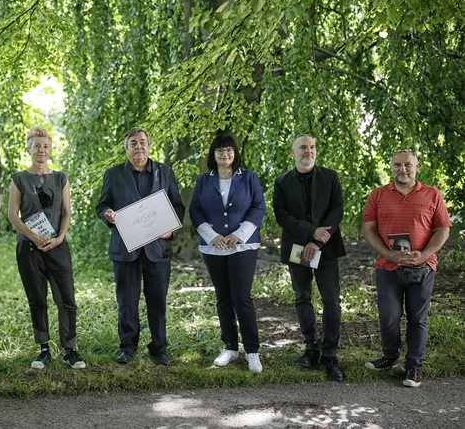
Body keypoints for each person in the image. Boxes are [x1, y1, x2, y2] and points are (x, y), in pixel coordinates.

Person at [96, 127, 185, 366]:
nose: (138, 147)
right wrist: (107, 214)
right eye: (133, 143)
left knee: (158, 302)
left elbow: (177, 206)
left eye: (143, 142)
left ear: (149, 146)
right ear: (126, 149)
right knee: (127, 301)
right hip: (126, 250)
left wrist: (172, 230)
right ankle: (127, 347)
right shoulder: (113, 174)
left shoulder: (164, 172)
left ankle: (159, 349)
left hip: (158, 249)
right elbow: (102, 205)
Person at [362, 149, 451, 388]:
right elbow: (368, 229)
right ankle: (390, 357)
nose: (403, 169)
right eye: (397, 165)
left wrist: (425, 254)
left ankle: (414, 366)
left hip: (422, 267)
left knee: (417, 318)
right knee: (389, 317)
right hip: (387, 266)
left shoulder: (433, 195)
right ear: (391, 167)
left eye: (408, 165)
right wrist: (388, 254)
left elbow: (443, 229)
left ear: (417, 167)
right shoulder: (377, 195)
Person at [8, 126, 85, 369]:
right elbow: (12, 215)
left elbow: (66, 212)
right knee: (37, 299)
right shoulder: (18, 178)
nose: (41, 150)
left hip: (57, 246)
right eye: (37, 146)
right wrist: (32, 236)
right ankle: (43, 349)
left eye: (45, 146)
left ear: (51, 150)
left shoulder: (60, 178)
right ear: (28, 148)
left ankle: (69, 349)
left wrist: (60, 238)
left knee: (67, 299)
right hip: (29, 248)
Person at [272, 134, 346, 381]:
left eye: (312, 147)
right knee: (302, 298)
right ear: (293, 152)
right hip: (297, 248)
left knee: (331, 300)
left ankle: (330, 353)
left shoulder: (330, 177)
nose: (308, 151)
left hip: (325, 247)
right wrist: (309, 232)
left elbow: (337, 211)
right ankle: (311, 347)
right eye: (303, 147)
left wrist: (317, 240)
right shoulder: (282, 182)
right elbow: (281, 215)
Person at [189, 133, 265, 372]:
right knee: (223, 298)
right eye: (220, 150)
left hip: (243, 246)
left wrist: (239, 235)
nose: (225, 154)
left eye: (229, 150)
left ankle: (252, 350)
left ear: (235, 153)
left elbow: (258, 206)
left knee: (242, 298)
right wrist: (213, 237)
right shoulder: (204, 181)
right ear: (213, 155)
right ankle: (230, 347)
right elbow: (196, 210)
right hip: (214, 247)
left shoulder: (249, 177)